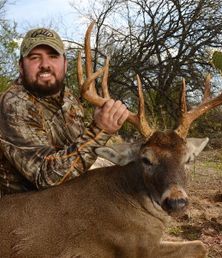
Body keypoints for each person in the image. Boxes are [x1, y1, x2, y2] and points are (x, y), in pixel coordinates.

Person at [0, 27, 129, 197]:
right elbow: (46, 177)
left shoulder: (66, 97)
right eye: (34, 58)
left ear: (65, 64)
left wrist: (99, 122)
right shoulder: (14, 105)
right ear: (21, 67)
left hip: (64, 194)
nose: (45, 65)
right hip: (24, 208)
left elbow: (77, 148)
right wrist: (99, 131)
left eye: (53, 56)